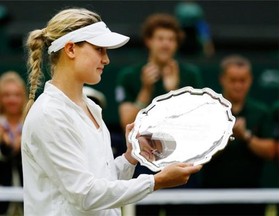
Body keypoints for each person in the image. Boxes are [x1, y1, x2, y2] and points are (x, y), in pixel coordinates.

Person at [21, 7, 202, 216]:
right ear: (70, 49)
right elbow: (86, 194)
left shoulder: (90, 107)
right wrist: (156, 181)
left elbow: (101, 181)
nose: (106, 59)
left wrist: (131, 157)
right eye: (99, 49)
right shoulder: (49, 114)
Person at [199, 55, 277, 215]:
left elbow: (271, 151)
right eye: (233, 80)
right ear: (222, 79)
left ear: (250, 80)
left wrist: (247, 136)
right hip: (211, 197)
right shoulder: (208, 111)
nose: (238, 86)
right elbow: (201, 155)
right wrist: (227, 136)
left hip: (252, 197)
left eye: (243, 80)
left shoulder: (261, 112)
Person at [116, 13, 203, 131]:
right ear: (148, 41)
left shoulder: (191, 74)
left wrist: (174, 91)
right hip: (141, 146)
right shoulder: (129, 75)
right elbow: (127, 123)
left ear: (177, 44)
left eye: (171, 39)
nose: (166, 44)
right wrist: (146, 90)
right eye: (160, 39)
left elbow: (195, 123)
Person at [0, 71, 26, 215]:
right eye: (7, 95)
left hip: (29, 199)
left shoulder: (32, 122)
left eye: (16, 95)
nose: (12, 99)